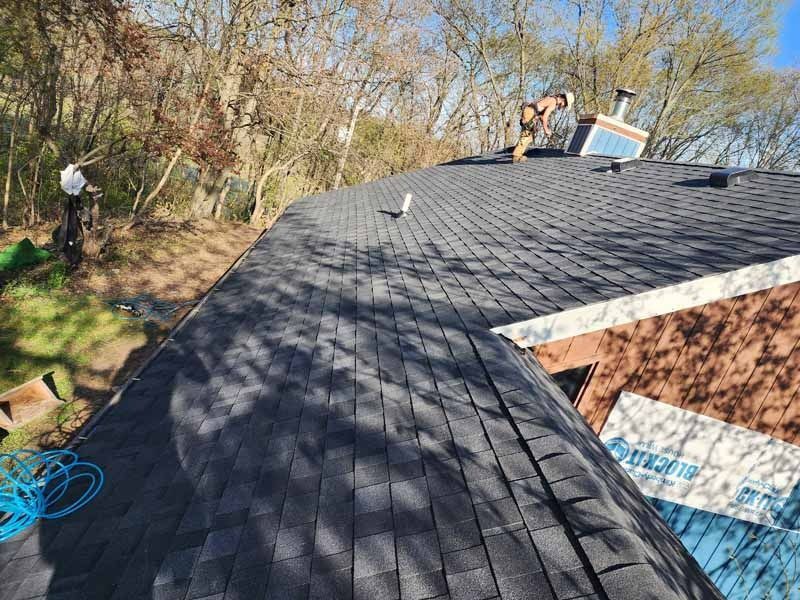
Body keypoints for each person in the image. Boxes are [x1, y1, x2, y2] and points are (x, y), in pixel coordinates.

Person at [512, 92, 574, 163]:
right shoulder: (553, 103)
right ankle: (517, 156)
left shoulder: (551, 98)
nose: (564, 107)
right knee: (527, 135)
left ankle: (518, 154)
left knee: (529, 137)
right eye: (565, 105)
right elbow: (545, 117)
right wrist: (546, 130)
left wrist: (547, 128)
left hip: (530, 111)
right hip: (530, 112)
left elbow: (541, 116)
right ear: (563, 100)